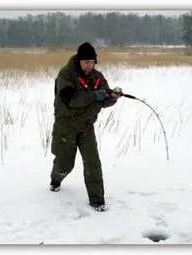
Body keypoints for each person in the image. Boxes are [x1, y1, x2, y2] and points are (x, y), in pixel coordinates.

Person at [49, 42, 122, 212]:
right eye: (86, 62)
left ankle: (97, 200)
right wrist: (95, 95)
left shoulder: (98, 77)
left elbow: (104, 100)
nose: (89, 65)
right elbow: (71, 101)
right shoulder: (65, 75)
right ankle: (56, 179)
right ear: (79, 61)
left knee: (93, 163)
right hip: (66, 126)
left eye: (92, 62)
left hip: (86, 127)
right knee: (65, 164)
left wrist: (112, 96)